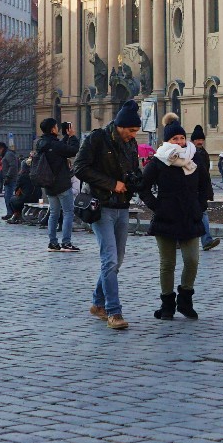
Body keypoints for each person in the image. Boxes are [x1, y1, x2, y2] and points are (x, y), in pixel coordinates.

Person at [74, 100, 143, 330]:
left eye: (136, 131)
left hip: (122, 206)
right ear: (121, 126)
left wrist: (136, 181)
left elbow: (133, 170)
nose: (133, 135)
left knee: (117, 261)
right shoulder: (97, 139)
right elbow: (80, 167)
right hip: (100, 206)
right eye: (131, 131)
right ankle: (114, 312)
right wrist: (112, 184)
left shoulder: (131, 144)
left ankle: (97, 303)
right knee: (110, 259)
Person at [140, 120, 211, 320]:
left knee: (192, 260)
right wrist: (157, 206)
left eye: (182, 138)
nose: (179, 142)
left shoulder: (193, 157)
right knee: (167, 263)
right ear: (167, 141)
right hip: (166, 217)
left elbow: (205, 184)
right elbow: (143, 187)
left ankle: (185, 301)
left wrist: (200, 205)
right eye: (174, 138)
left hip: (190, 215)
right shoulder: (159, 161)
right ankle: (167, 305)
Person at [32, 116, 78, 252]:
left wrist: (65, 138)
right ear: (52, 129)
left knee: (53, 213)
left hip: (49, 184)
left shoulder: (41, 144)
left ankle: (52, 243)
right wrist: (73, 137)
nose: (58, 128)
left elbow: (58, 148)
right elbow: (73, 150)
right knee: (69, 212)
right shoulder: (55, 145)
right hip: (62, 184)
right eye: (56, 126)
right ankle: (66, 242)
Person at [190, 125, 219, 252]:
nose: (200, 141)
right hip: (190, 189)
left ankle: (206, 240)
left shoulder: (204, 153)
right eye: (197, 139)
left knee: (202, 213)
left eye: (201, 139)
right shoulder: (189, 153)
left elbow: (205, 174)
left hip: (200, 189)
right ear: (193, 140)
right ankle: (180, 239)